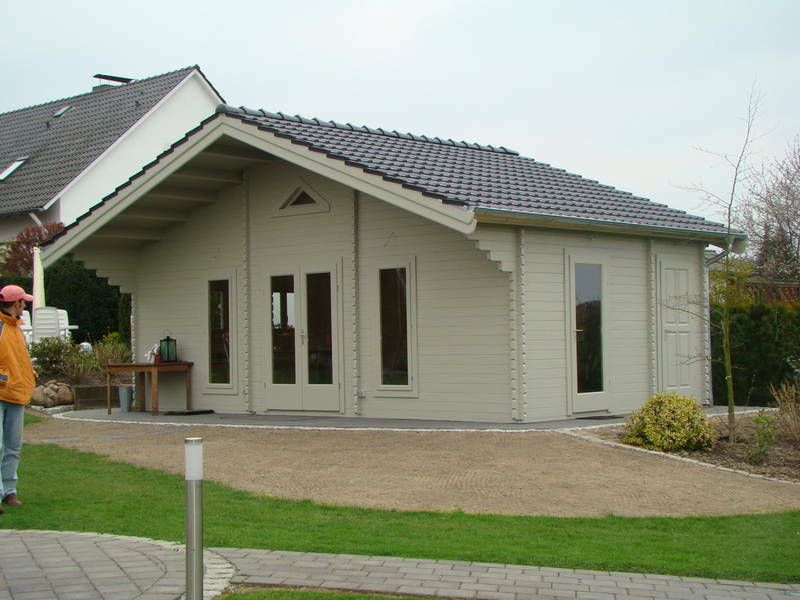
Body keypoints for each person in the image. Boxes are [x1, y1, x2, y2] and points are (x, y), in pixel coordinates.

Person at [0, 284, 36, 512]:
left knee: (13, 446)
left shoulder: (17, 328)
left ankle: (9, 491)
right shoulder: (2, 327)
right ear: (16, 303)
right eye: (23, 302)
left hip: (17, 394)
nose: (25, 306)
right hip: (3, 391)